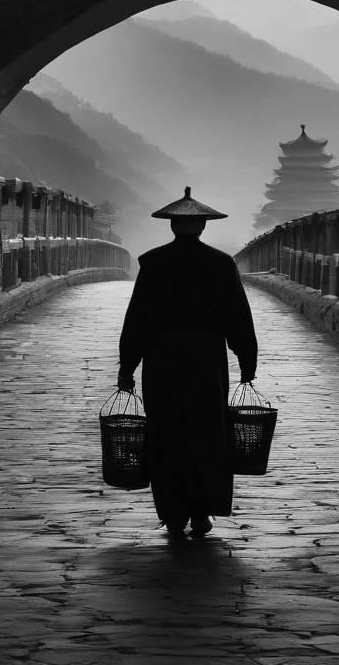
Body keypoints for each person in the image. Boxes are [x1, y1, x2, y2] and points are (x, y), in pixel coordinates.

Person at [117, 186, 258, 538]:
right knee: (206, 432)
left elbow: (137, 319)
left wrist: (127, 365)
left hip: (162, 358)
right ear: (203, 226)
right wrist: (246, 361)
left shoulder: (152, 263)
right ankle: (202, 511)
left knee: (166, 432)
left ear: (172, 226)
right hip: (206, 360)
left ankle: (173, 512)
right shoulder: (221, 265)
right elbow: (238, 317)